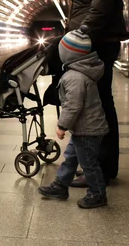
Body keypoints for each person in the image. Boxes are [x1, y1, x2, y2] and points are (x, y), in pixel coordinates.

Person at [64, 0, 129, 187]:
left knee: (100, 104)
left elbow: (101, 5)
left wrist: (80, 35)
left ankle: (102, 168)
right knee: (99, 102)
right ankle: (100, 165)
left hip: (98, 41)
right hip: (95, 40)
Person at [38, 29, 109, 209]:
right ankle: (61, 186)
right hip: (84, 128)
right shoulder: (77, 72)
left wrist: (62, 125)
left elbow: (73, 105)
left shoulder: (75, 77)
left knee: (89, 165)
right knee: (70, 157)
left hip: (88, 130)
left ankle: (97, 194)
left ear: (67, 54)